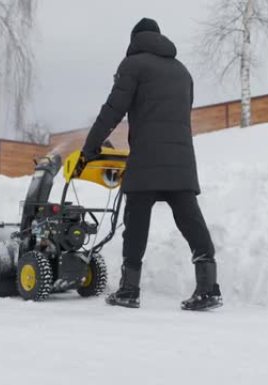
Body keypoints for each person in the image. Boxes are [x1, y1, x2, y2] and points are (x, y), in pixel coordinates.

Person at [80, 17, 221, 311]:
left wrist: (90, 146)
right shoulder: (182, 71)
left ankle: (129, 290)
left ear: (135, 39)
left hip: (146, 158)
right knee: (190, 220)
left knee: (136, 223)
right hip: (180, 159)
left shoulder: (132, 65)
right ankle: (208, 287)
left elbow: (112, 110)